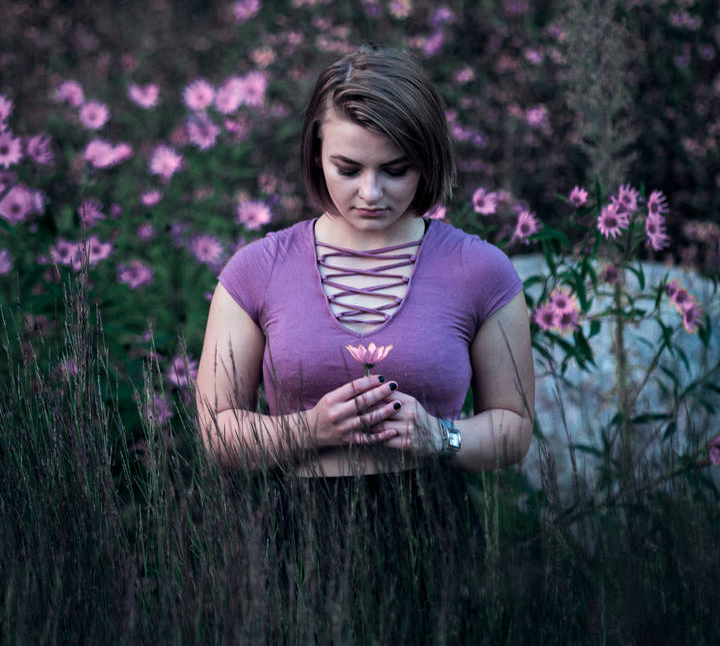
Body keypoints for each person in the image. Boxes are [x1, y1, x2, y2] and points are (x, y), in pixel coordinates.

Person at [195, 44, 534, 482]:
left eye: (395, 170)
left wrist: (441, 436)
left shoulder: (481, 270)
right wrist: (309, 430)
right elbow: (215, 434)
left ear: (427, 162)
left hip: (435, 527)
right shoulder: (257, 270)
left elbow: (515, 429)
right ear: (317, 154)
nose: (371, 193)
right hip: (299, 534)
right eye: (349, 169)